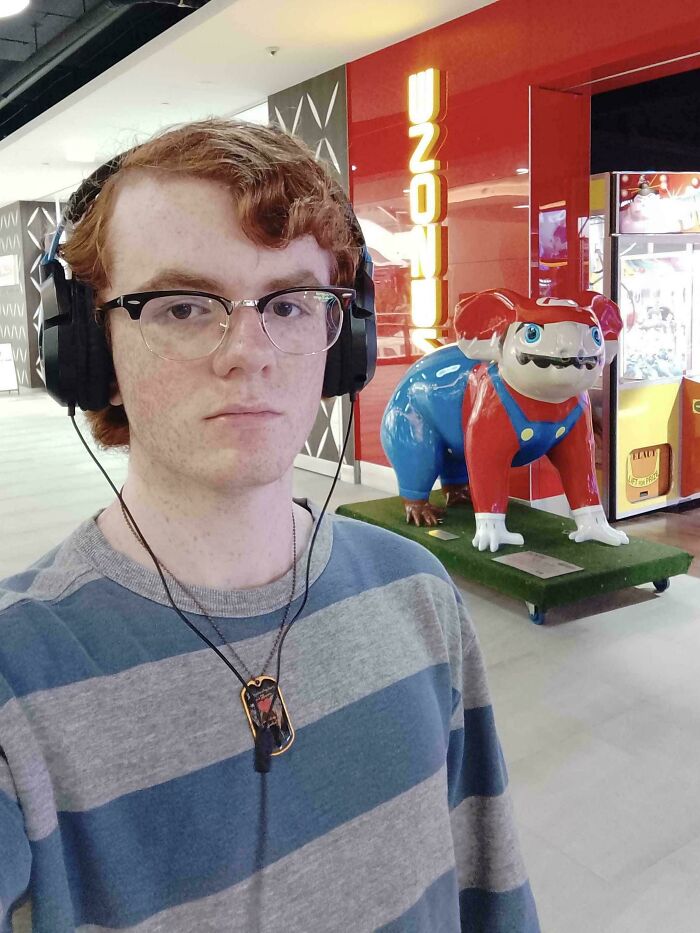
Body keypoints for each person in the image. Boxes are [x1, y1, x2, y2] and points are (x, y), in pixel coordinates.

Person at [0, 119, 540, 932]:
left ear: (343, 338)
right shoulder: (16, 676)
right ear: (88, 351)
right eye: (183, 306)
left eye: (289, 304)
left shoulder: (419, 592)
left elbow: (489, 884)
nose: (248, 351)